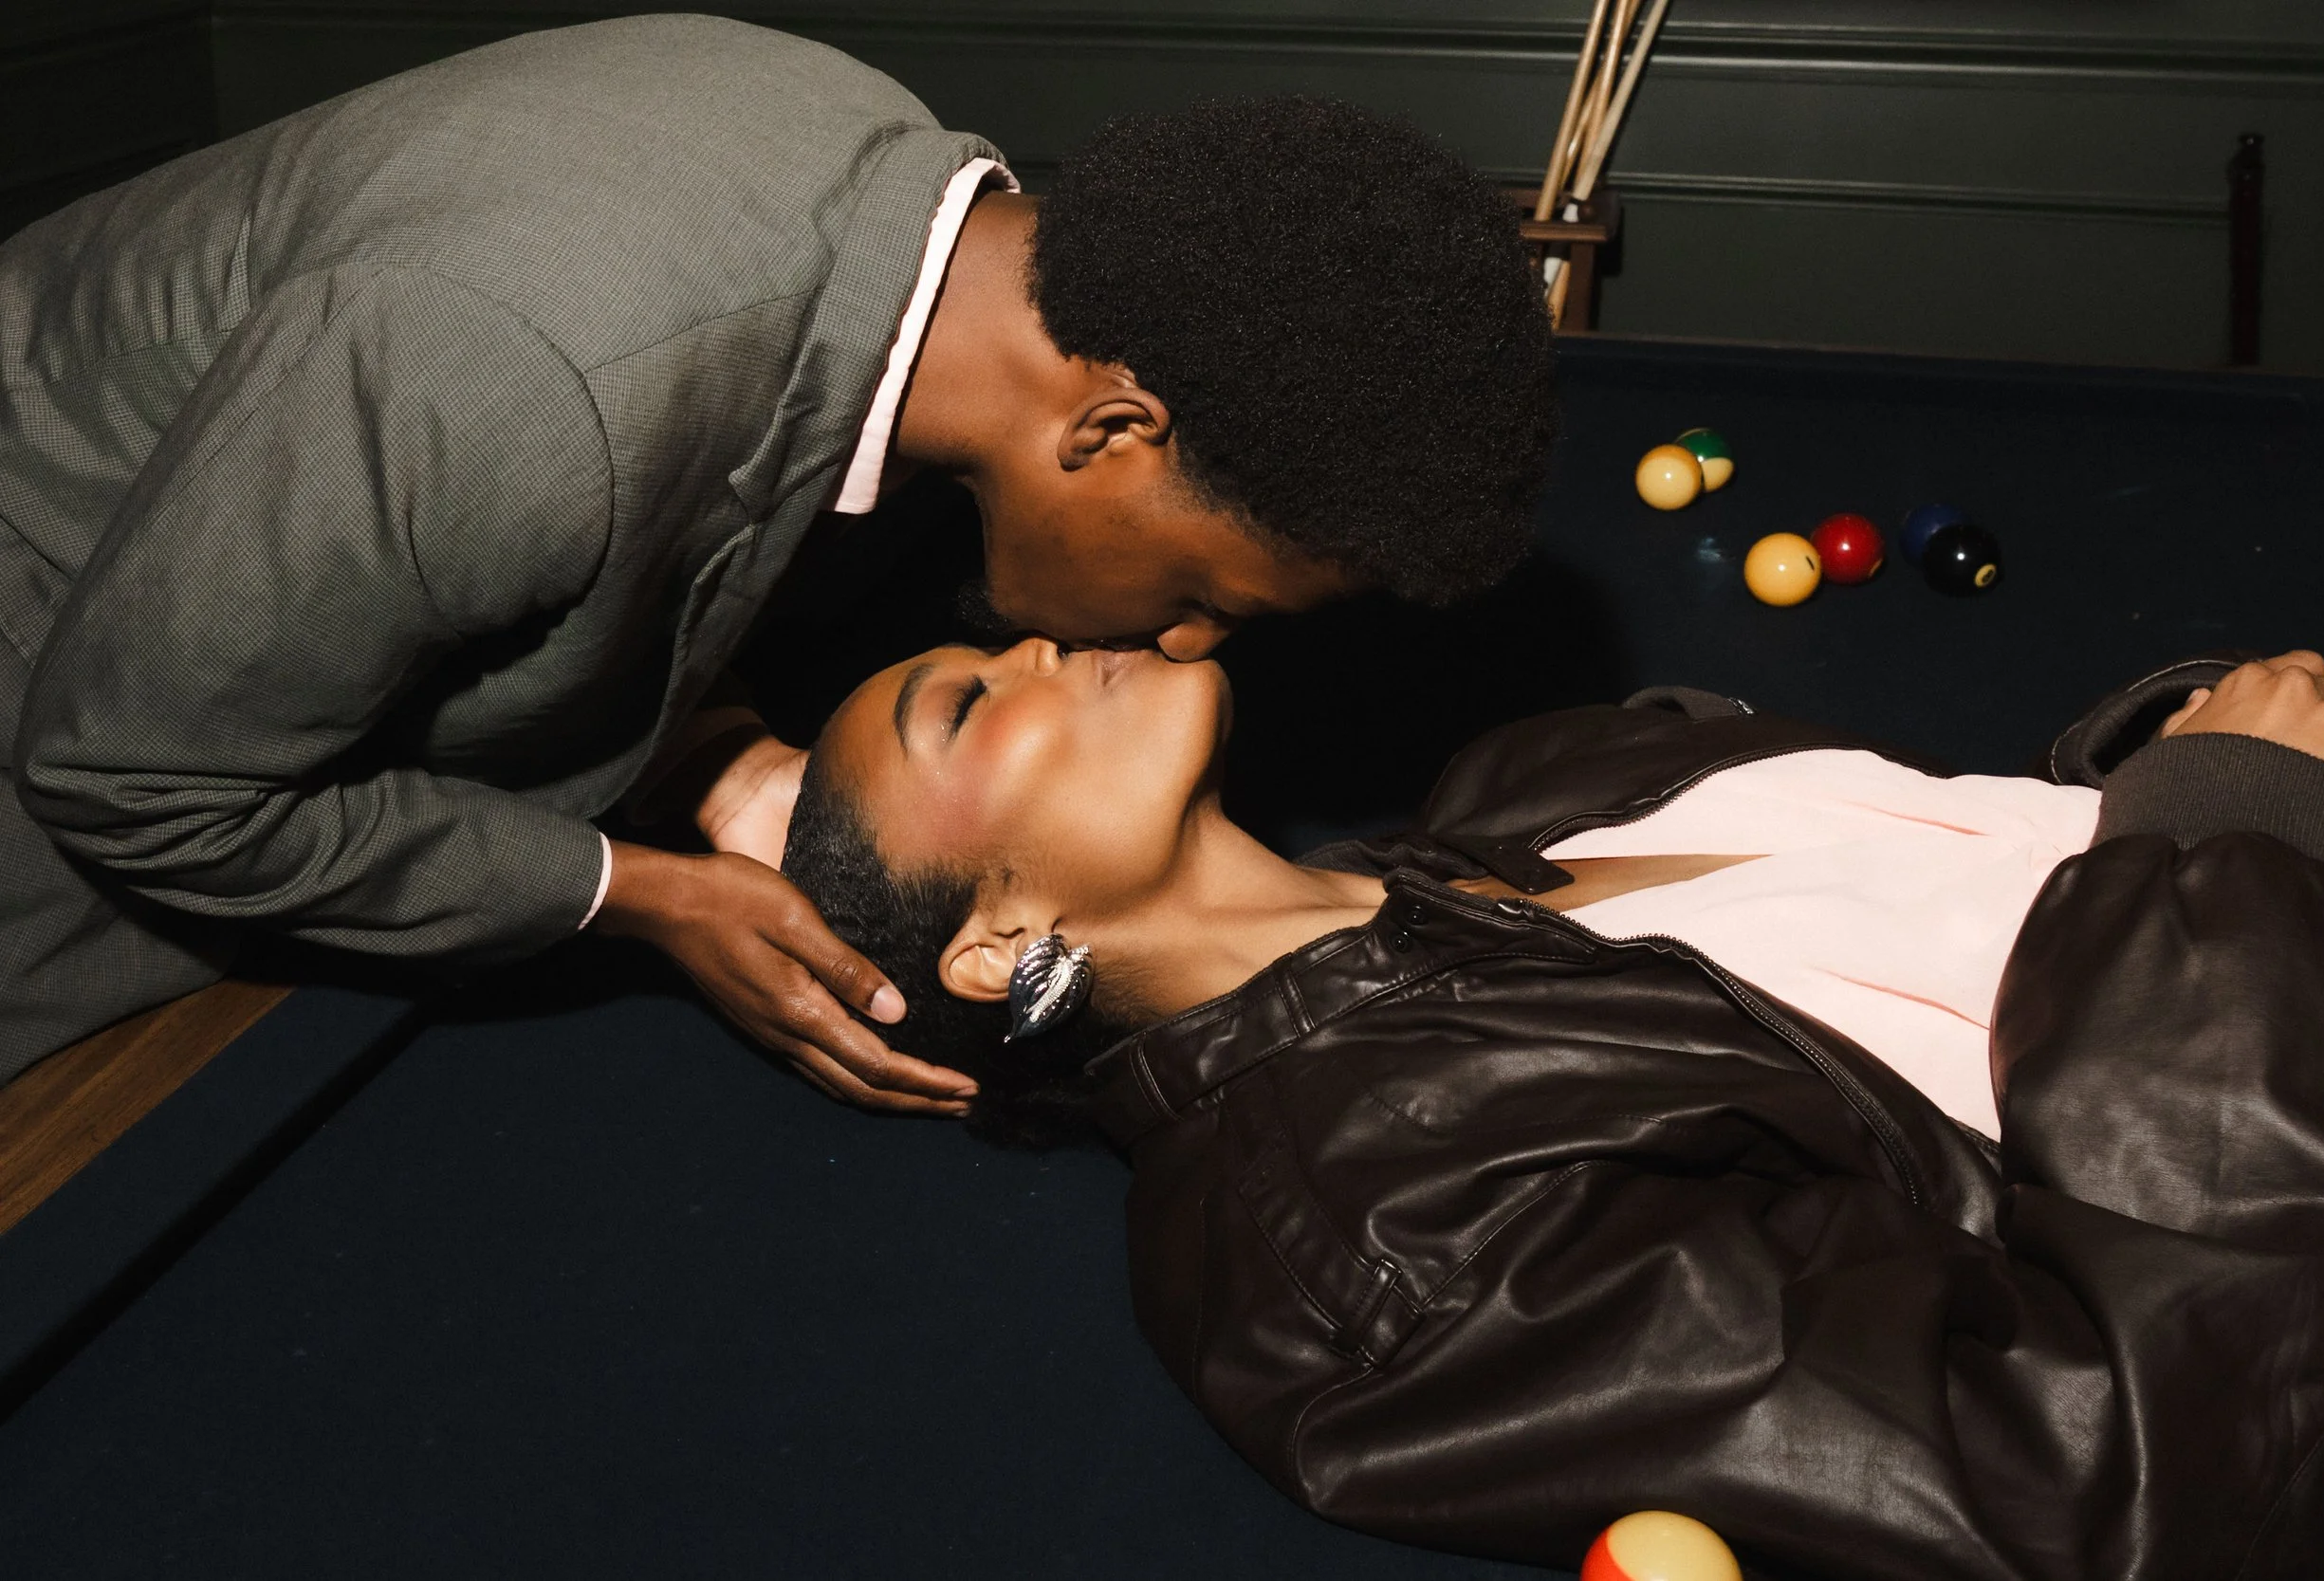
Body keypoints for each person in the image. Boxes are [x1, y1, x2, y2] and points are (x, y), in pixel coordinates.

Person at [0, 16, 1559, 1092]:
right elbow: (137, 777)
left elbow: (676, 483)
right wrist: (640, 894)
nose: (1194, 650)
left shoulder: (884, 201)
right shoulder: (528, 377)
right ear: (1110, 435)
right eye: (1209, 595)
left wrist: (718, 751)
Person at [777, 637, 2324, 1575]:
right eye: (972, 702)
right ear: (993, 944)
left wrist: (2187, 772)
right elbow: (2128, 1474)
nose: (1041, 647)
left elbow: (1956, 904)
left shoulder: (1525, 790)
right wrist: (2240, 843)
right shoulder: (1370, 1247)